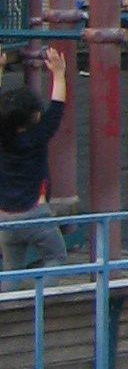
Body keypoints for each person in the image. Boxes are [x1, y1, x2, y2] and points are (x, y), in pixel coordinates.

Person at [0, 45, 72, 268]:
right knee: (57, 257)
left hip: (5, 216)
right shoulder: (39, 136)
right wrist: (59, 74)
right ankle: (43, 298)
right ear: (36, 117)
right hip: (35, 212)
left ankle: (9, 302)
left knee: (12, 269)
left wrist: (0, 69)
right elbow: (58, 106)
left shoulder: (3, 137)